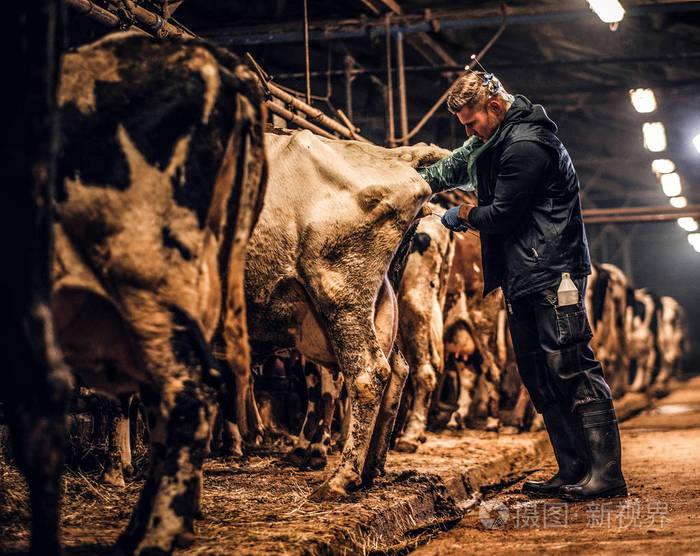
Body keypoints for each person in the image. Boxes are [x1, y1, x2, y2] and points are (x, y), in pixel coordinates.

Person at [418, 71, 627, 500]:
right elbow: (459, 163)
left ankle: (606, 476)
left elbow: (503, 214)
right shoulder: (495, 140)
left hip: (554, 273)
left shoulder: (527, 143)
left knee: (571, 366)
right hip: (523, 274)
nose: (469, 132)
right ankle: (572, 469)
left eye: (472, 122)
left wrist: (459, 215)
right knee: (537, 374)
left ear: (495, 107)